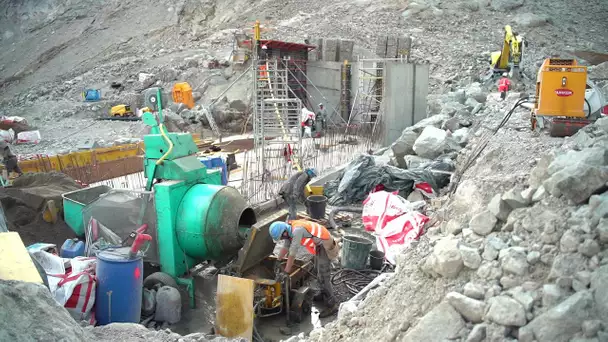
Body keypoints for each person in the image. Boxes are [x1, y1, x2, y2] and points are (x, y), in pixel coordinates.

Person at [270, 219, 340, 318]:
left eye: (282, 236)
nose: (282, 238)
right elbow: (286, 247)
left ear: (284, 231)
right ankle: (323, 293)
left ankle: (332, 304)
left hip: (325, 243)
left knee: (324, 275)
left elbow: (293, 253)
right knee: (317, 271)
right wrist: (278, 260)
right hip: (318, 244)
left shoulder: (297, 230)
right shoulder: (288, 231)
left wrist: (286, 271)